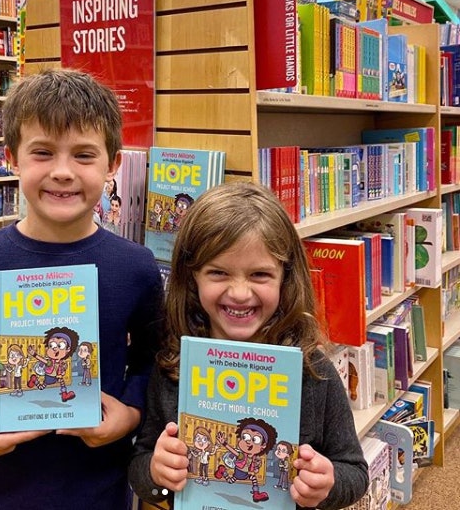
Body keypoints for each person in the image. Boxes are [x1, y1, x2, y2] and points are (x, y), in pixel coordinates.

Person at [0, 68, 164, 510]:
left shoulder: (135, 267)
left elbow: (155, 360)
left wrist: (132, 412)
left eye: (84, 155)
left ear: (113, 164)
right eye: (42, 152)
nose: (62, 172)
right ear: (13, 158)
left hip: (99, 489)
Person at [128, 181, 369, 509]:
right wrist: (157, 473)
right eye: (218, 273)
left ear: (285, 278)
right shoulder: (174, 365)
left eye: (259, 275)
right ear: (192, 277)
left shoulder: (313, 371)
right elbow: (141, 464)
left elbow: (354, 472)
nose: (240, 293)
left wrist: (327, 484)